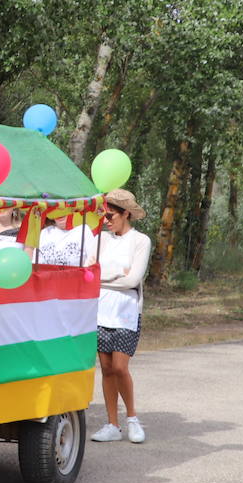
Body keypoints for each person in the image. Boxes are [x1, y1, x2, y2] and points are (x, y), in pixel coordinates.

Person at [90, 189, 152, 444]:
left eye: (110, 215)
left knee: (119, 367)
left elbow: (133, 279)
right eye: (103, 214)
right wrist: (116, 274)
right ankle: (112, 424)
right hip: (101, 310)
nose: (105, 220)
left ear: (126, 214)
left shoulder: (141, 241)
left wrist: (105, 277)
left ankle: (132, 419)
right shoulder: (102, 239)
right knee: (105, 368)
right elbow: (91, 270)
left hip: (126, 312)